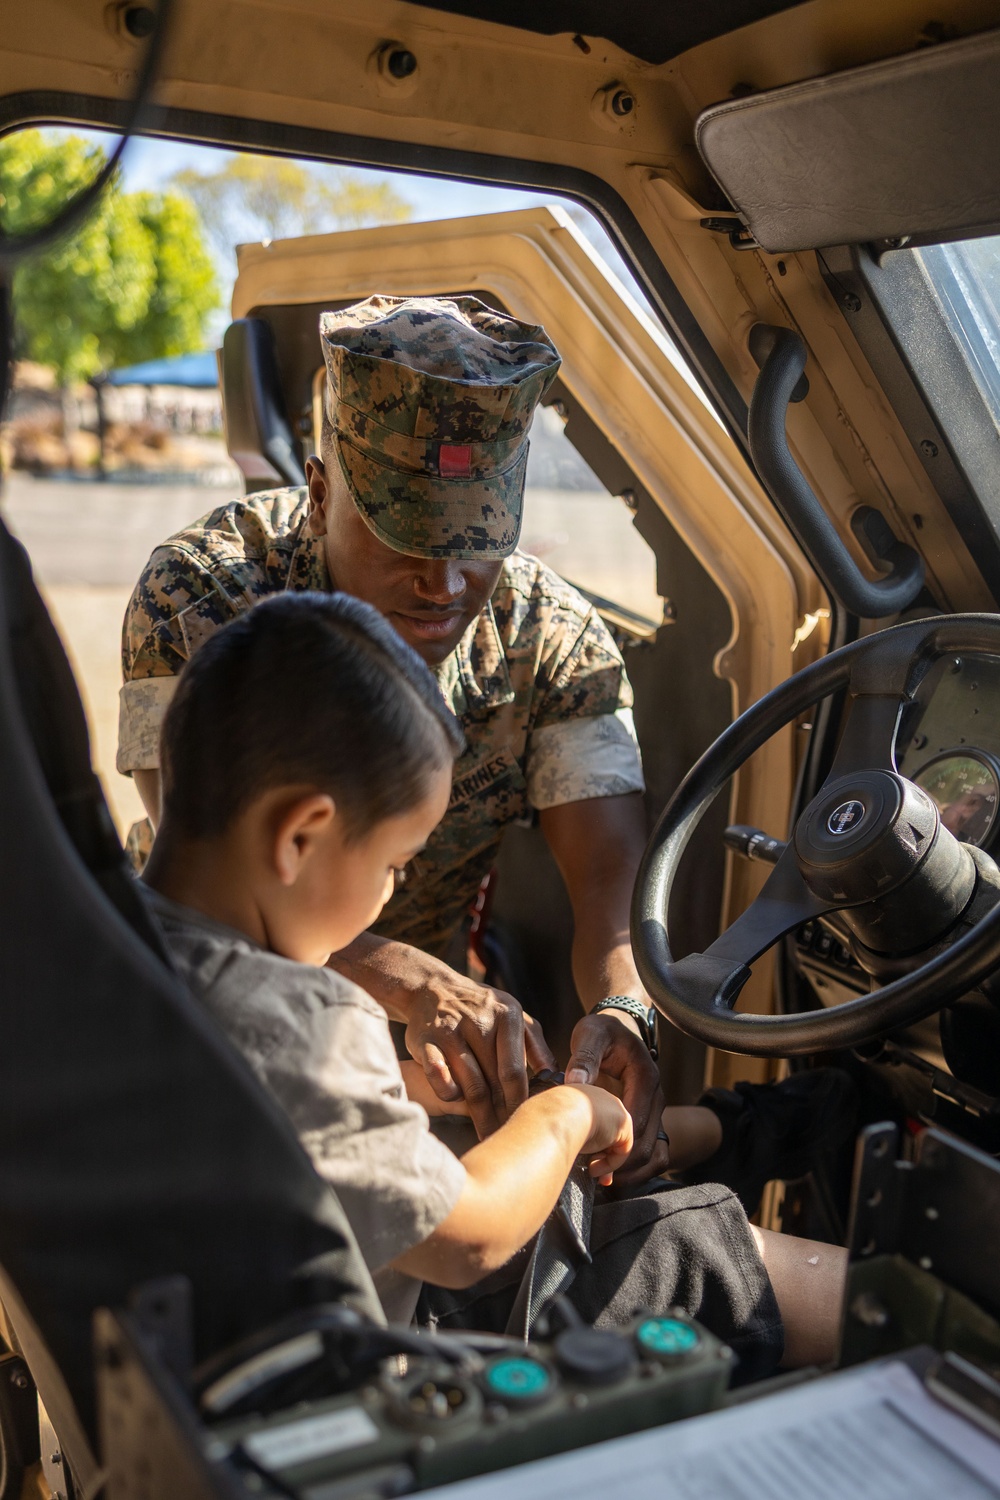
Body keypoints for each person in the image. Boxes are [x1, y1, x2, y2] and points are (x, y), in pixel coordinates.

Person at [118, 292, 852, 1189]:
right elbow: (197, 870)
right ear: (318, 495)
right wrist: (399, 977)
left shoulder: (551, 637)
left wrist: (623, 1012)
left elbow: (609, 892)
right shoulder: (199, 592)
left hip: (431, 1044)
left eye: (477, 542)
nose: (445, 582)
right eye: (407, 542)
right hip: (217, 993)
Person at [140, 590, 847, 1379]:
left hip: (220, 1326)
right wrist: (566, 1111)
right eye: (392, 865)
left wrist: (407, 1091)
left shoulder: (117, 948)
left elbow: (254, 1114)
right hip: (380, 1354)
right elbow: (470, 1239)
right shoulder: (301, 1016)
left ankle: (777, 1123)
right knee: (694, 1245)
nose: (387, 894)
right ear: (300, 835)